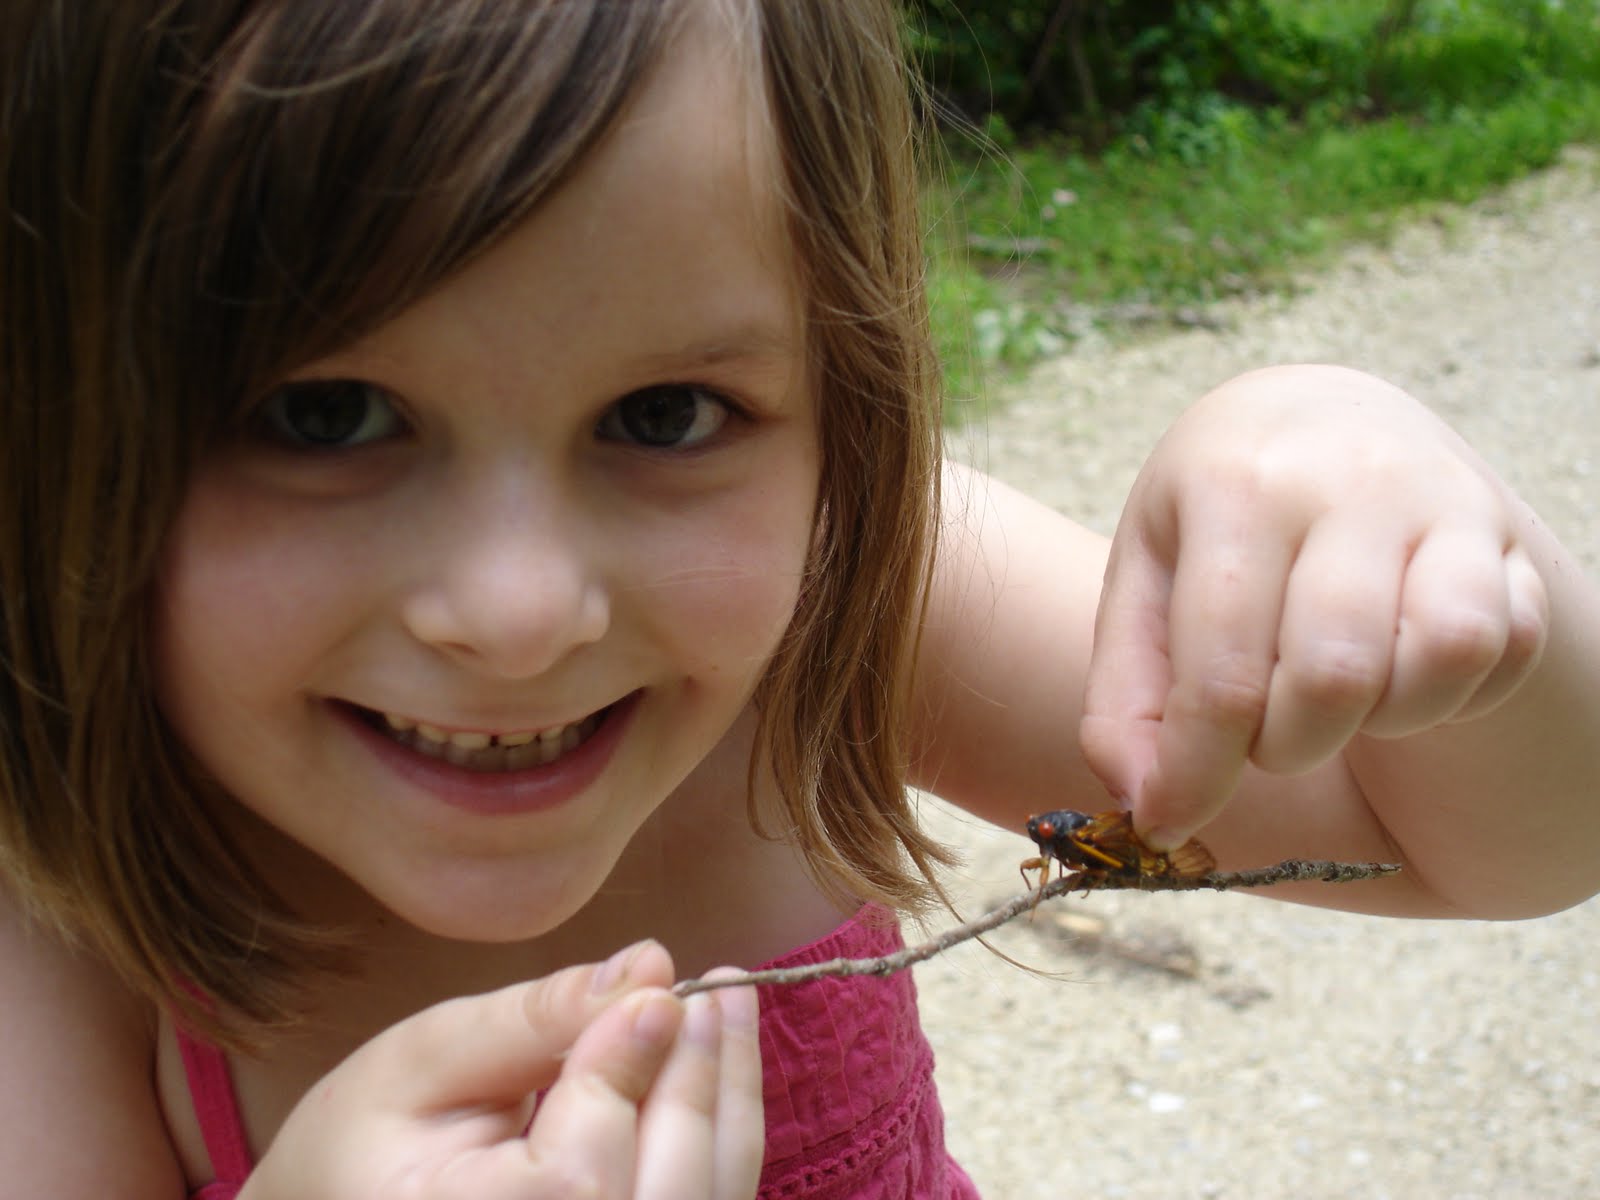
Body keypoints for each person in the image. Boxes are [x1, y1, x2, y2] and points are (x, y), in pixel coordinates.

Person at [3, 2, 1598, 1197]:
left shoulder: (847, 590)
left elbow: (1500, 843)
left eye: (665, 415)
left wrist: (1436, 558)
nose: (518, 612)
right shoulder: (53, 905)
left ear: (843, 384)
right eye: (325, 416)